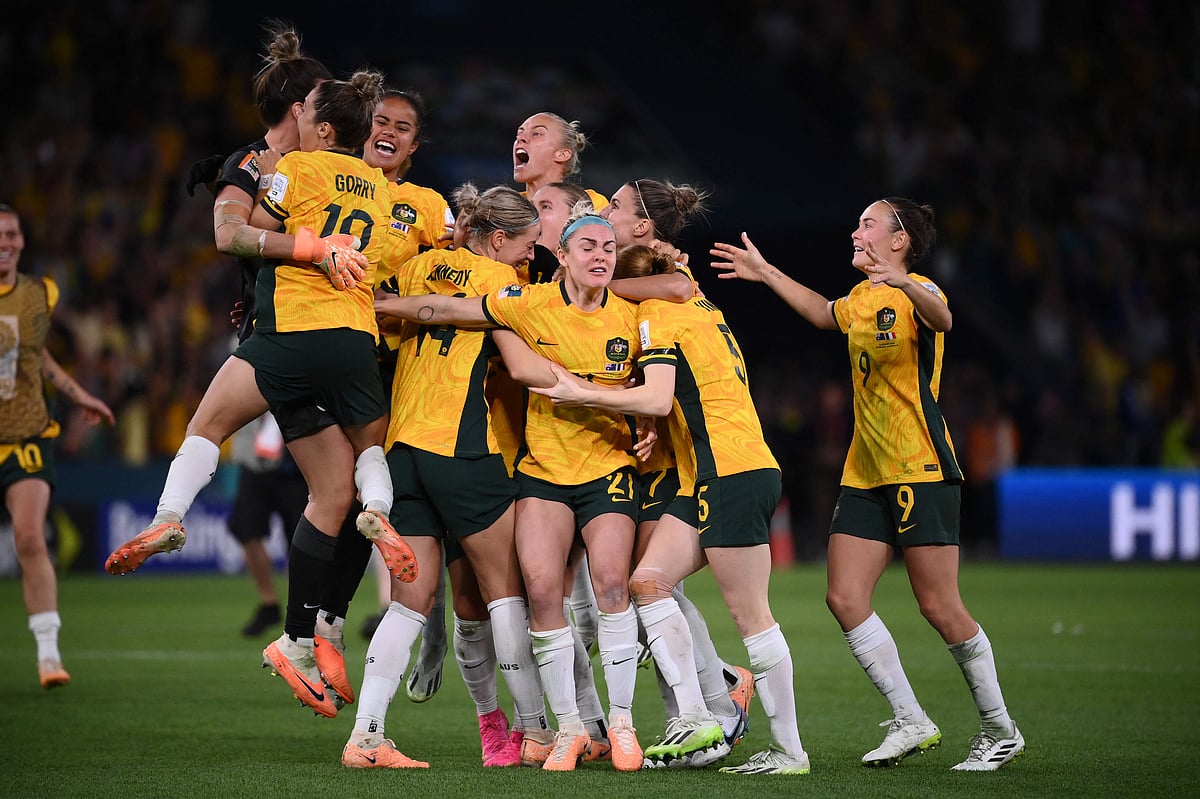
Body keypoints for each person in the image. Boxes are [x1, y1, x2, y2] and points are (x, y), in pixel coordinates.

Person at [710, 197, 1025, 772]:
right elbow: (823, 312)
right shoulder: (861, 298)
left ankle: (1000, 729)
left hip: (920, 466)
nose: (855, 232)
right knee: (844, 597)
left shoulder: (918, 291)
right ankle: (910, 718)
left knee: (938, 604)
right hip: (866, 470)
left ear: (899, 239)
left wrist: (905, 282)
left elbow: (944, 319)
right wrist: (766, 272)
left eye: (867, 224)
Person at [375, 210, 648, 772]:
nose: (600, 256)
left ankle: (612, 725)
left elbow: (662, 380)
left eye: (609, 248)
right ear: (560, 256)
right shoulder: (520, 298)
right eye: (586, 247)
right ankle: (553, 729)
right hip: (512, 461)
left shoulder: (630, 317)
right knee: (527, 595)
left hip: (417, 443)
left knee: (601, 588)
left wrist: (374, 302)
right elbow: (475, 327)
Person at [530, 244, 812, 775]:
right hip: (709, 472)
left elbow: (659, 398)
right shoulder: (704, 308)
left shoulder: (655, 318)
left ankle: (789, 749)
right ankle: (695, 718)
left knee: (752, 616)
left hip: (732, 471)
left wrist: (581, 390)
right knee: (648, 582)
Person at [0, 203, 115, 688]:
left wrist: (79, 394)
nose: (5, 243)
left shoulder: (38, 294)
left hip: (25, 433)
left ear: (21, 240)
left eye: (11, 234)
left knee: (29, 536)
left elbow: (37, 356)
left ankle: (49, 656)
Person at [227, 410, 308, 637]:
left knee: (301, 541)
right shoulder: (245, 375)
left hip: (295, 467)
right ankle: (269, 602)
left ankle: (299, 609)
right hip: (254, 463)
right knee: (246, 530)